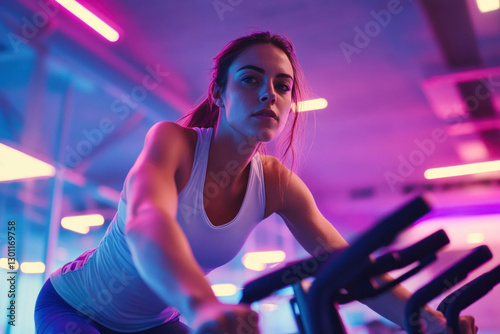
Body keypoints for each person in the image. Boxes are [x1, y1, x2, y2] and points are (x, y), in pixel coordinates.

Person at [34, 31, 478, 334]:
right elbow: (146, 221)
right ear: (220, 95)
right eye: (251, 80)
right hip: (76, 306)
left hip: (157, 321)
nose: (270, 93)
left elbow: (350, 266)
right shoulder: (173, 142)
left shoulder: (277, 185)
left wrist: (429, 321)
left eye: (283, 86)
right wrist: (202, 303)